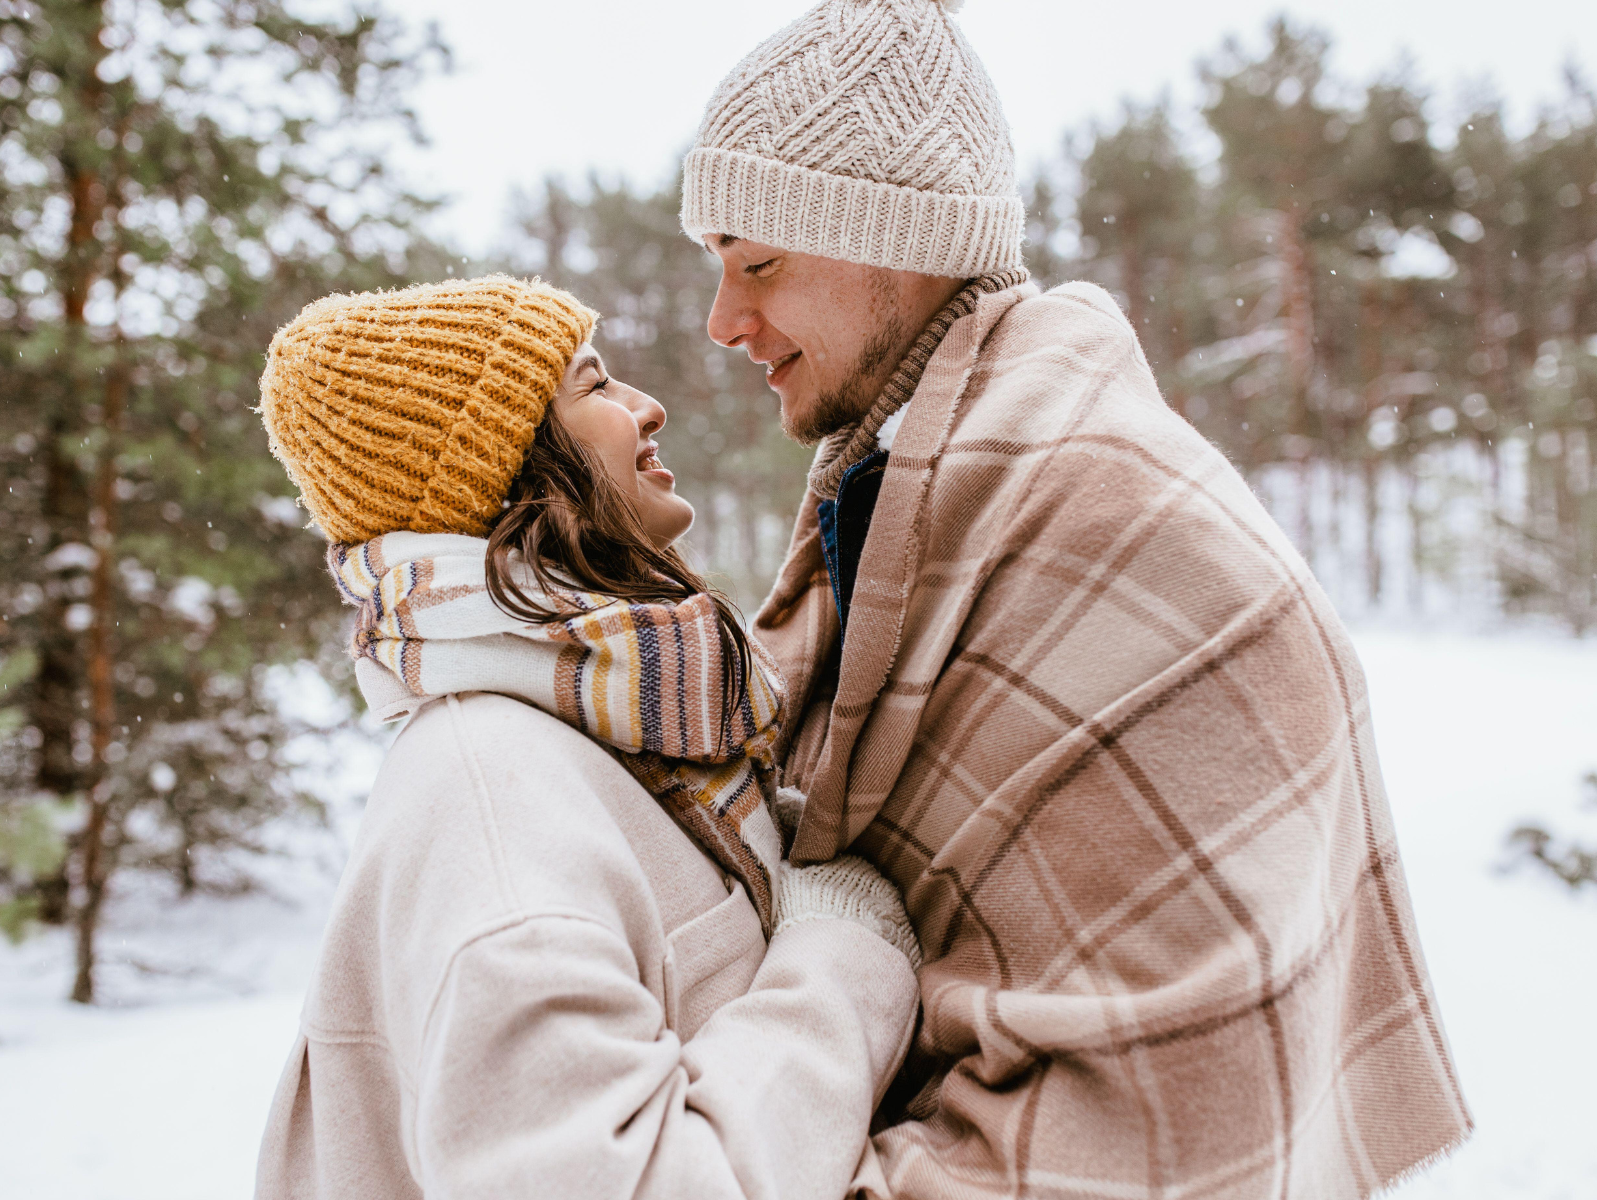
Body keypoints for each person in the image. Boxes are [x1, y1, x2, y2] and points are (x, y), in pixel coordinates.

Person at [681, 1, 1472, 1197]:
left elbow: (1176, 1097)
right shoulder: (903, 498)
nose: (725, 322)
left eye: (760, 262)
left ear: (890, 241)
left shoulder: (1109, 520)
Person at [251, 276, 923, 1200]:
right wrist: (844, 968)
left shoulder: (629, 735)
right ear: (506, 466)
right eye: (596, 387)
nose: (646, 408)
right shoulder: (492, 804)